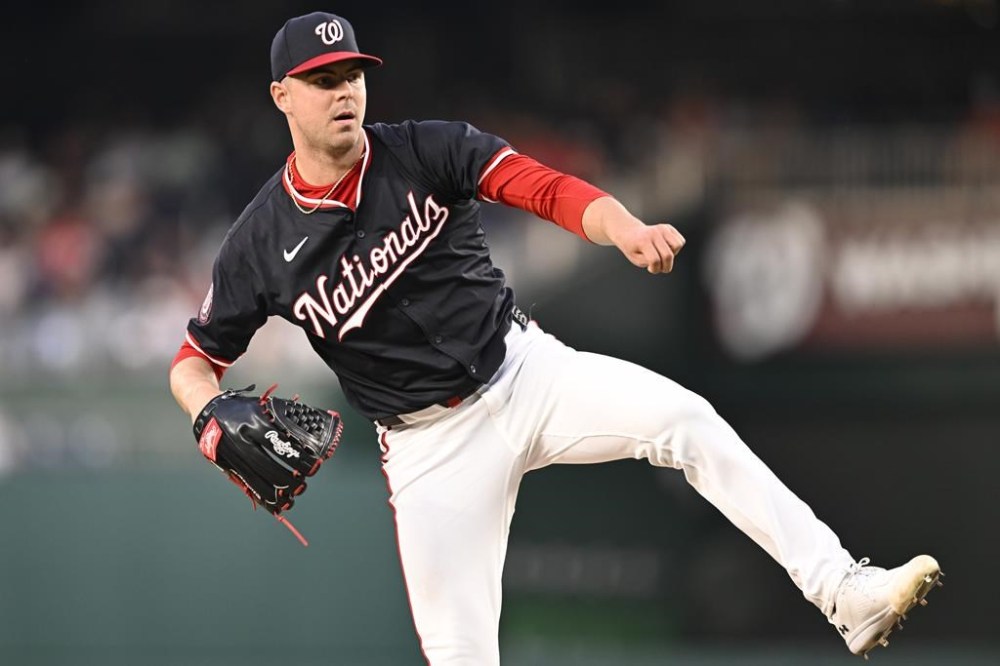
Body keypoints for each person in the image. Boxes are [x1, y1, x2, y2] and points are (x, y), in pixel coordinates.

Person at [169, 11, 941, 665]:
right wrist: (208, 420)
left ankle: (843, 590)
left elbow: (544, 187)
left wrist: (622, 227)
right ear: (282, 96)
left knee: (686, 421)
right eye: (322, 80)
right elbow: (194, 361)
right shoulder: (259, 244)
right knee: (461, 654)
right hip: (430, 450)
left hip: (526, 371)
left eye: (352, 75)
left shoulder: (425, 148)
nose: (344, 92)